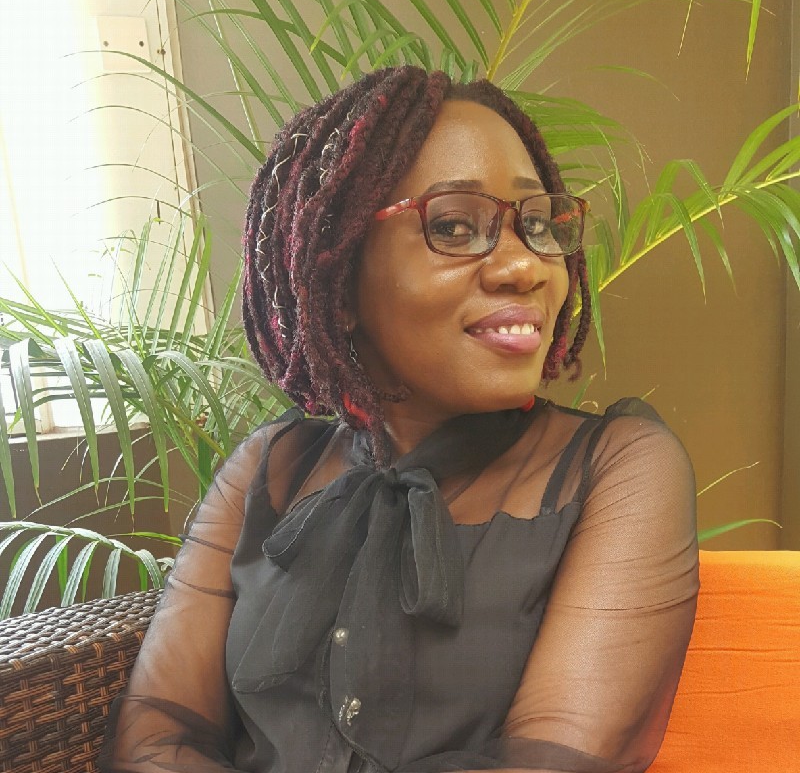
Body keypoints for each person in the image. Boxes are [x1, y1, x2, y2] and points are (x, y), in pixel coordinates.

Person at [101, 66, 699, 773]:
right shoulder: (268, 469)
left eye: (538, 225)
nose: (525, 268)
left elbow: (551, 762)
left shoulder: (617, 469)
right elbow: (158, 733)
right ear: (340, 282)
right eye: (454, 226)